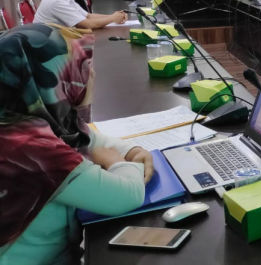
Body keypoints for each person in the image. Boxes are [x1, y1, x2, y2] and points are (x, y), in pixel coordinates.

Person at [0, 24, 152, 265]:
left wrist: (132, 151)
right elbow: (127, 195)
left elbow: (88, 137)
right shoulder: (30, 146)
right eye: (81, 68)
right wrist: (118, 162)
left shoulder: (25, 116)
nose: (91, 75)